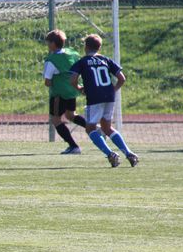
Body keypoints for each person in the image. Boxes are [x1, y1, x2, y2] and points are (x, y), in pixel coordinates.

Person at [68, 34, 139, 168]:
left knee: (90, 128)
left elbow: (72, 80)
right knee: (107, 127)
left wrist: (79, 88)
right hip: (109, 97)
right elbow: (122, 78)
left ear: (85, 47)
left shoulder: (82, 61)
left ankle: (110, 154)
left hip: (94, 97)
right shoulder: (106, 60)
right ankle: (129, 153)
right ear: (99, 47)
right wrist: (113, 90)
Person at [43, 29, 88, 154]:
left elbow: (47, 82)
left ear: (53, 44)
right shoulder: (72, 53)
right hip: (72, 90)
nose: (47, 45)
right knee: (70, 115)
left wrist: (55, 81)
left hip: (59, 94)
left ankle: (73, 146)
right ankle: (95, 128)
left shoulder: (51, 60)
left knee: (56, 120)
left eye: (48, 43)